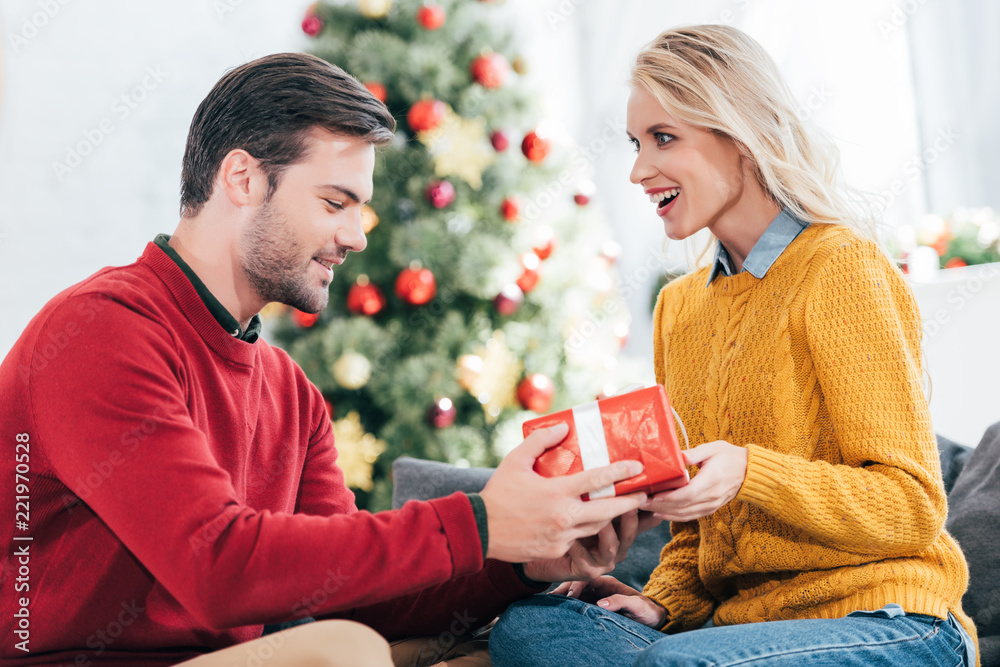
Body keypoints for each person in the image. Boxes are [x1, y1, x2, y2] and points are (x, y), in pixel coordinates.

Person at [0, 53, 655, 667]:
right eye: (335, 202)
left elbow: (345, 594)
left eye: (361, 207)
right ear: (243, 178)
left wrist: (521, 563)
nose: (357, 234)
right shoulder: (102, 331)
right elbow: (217, 566)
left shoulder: (289, 391)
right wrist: (482, 521)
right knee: (339, 652)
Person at [489, 24, 980, 667]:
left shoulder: (841, 268)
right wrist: (661, 602)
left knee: (675, 664)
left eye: (665, 138)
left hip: (890, 619)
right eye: (637, 143)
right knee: (533, 627)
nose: (639, 170)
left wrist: (751, 472)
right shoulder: (679, 308)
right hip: (732, 637)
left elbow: (912, 506)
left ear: (741, 135)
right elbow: (697, 540)